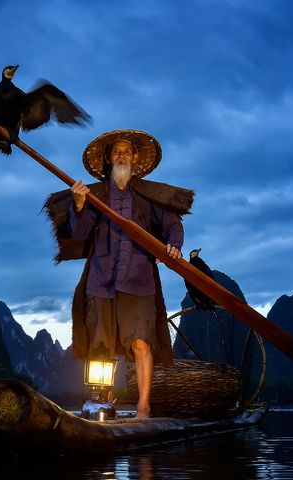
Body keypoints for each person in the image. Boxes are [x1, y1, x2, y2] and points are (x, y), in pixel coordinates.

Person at [43, 130, 194, 418]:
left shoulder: (149, 196)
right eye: (116, 152)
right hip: (101, 281)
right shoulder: (96, 196)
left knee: (140, 343)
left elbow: (173, 224)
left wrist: (173, 246)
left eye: (127, 151)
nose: (122, 155)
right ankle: (101, 402)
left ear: (135, 159)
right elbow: (80, 232)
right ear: (109, 159)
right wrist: (78, 205)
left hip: (139, 281)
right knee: (99, 347)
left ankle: (143, 407)